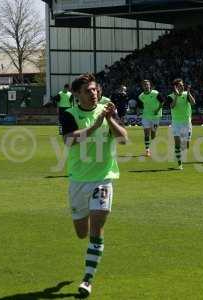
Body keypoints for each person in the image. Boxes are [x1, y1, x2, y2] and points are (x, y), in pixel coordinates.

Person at [60, 74, 128, 298]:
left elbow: (123, 138)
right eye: (88, 90)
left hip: (103, 178)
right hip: (79, 179)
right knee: (82, 233)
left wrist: (108, 120)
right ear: (77, 94)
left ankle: (87, 279)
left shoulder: (107, 108)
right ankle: (87, 216)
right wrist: (95, 125)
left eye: (95, 89)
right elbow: (69, 140)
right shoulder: (70, 114)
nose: (93, 93)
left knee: (96, 229)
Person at [167, 78, 195, 170]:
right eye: (180, 85)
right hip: (176, 123)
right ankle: (180, 163)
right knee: (177, 143)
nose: (182, 86)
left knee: (186, 145)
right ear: (175, 87)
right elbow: (172, 106)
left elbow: (193, 102)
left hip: (186, 122)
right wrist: (176, 95)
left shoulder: (187, 94)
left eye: (183, 85)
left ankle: (179, 155)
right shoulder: (170, 96)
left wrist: (189, 92)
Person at [138, 79, 164, 157]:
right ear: (142, 86)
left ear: (150, 85)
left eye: (147, 84)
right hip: (146, 116)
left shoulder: (155, 93)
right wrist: (138, 111)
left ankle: (152, 146)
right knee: (146, 133)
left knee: (153, 134)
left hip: (156, 117)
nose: (146, 86)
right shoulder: (141, 96)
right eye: (144, 84)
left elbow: (162, 102)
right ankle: (147, 150)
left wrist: (157, 110)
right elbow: (141, 106)